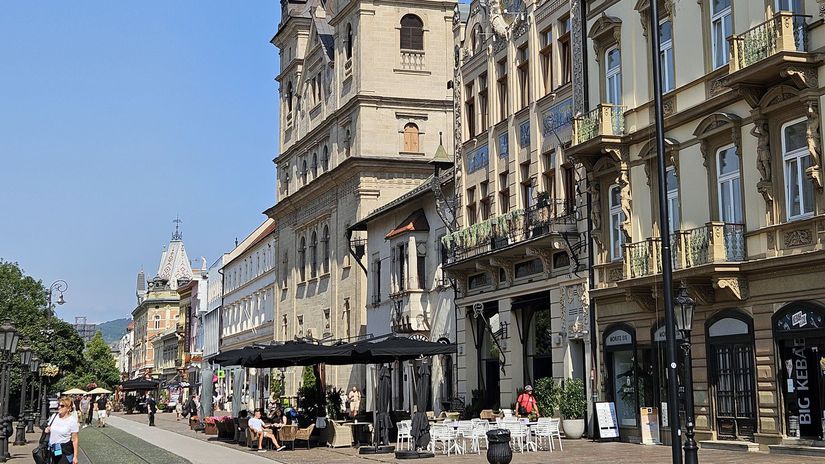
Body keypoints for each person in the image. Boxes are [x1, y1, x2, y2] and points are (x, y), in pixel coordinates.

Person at [46, 396, 79, 464]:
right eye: (59, 405)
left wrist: (75, 456)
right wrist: (47, 430)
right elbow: (49, 429)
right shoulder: (54, 416)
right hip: (53, 450)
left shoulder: (72, 421)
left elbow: (75, 439)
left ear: (68, 408)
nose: (59, 407)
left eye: (62, 406)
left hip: (64, 451)